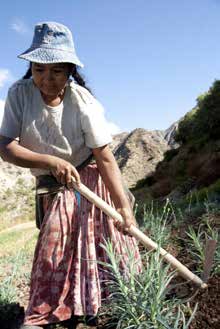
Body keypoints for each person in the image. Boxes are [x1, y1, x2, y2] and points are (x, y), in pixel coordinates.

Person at [0, 22, 142, 329]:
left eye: (57, 72)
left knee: (103, 246)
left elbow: (104, 157)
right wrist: (50, 161)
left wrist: (123, 207)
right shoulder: (19, 95)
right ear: (31, 68)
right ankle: (43, 313)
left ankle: (99, 307)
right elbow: (5, 146)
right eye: (39, 70)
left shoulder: (83, 102)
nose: (47, 79)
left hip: (88, 177)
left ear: (69, 72)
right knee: (55, 249)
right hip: (52, 180)